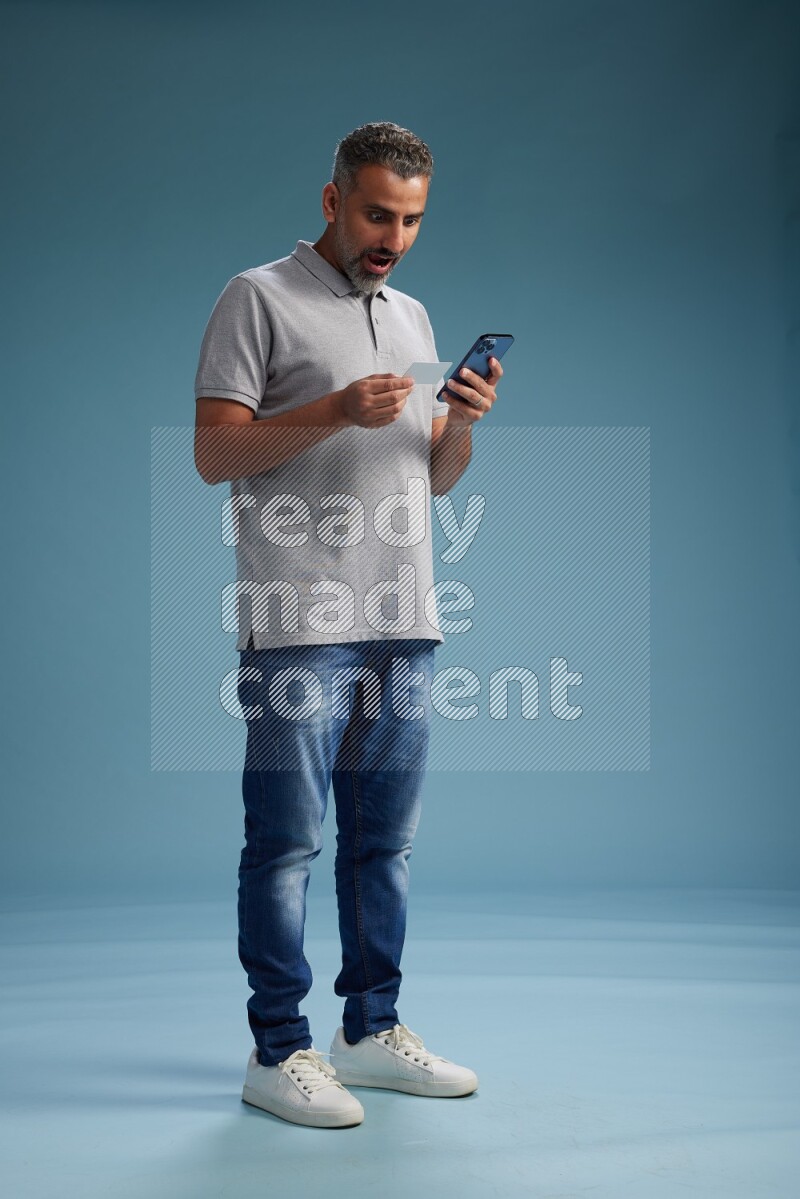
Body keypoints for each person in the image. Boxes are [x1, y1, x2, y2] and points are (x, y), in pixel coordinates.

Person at [194, 121, 504, 1128]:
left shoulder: (411, 314)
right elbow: (213, 453)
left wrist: (455, 420)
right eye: (377, 213)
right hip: (298, 620)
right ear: (331, 201)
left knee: (385, 844)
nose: (394, 236)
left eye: (411, 218)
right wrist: (331, 409)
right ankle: (276, 1048)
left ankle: (368, 1031)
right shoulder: (256, 298)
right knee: (285, 843)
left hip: (402, 615)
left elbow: (430, 478)